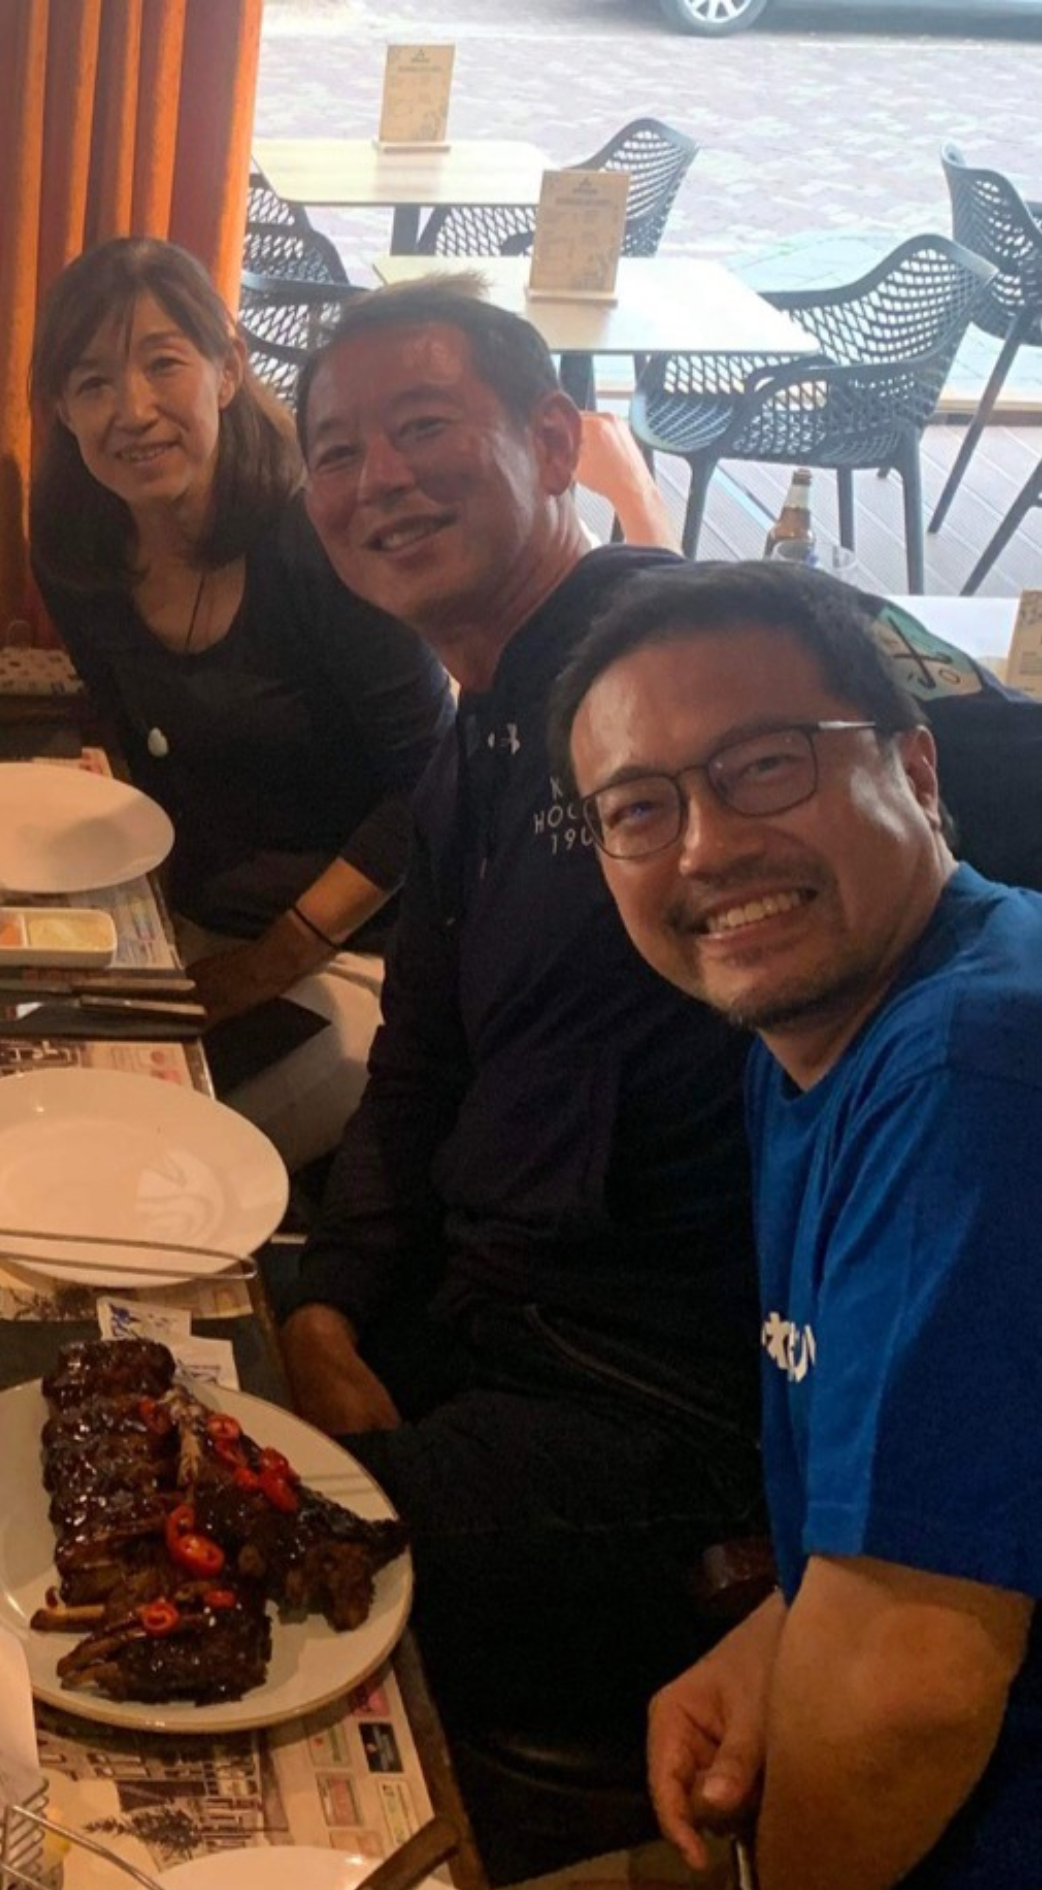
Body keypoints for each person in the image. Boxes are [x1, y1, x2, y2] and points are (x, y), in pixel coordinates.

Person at [277, 277, 1042, 1802]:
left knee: (251, 1557)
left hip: (668, 1405)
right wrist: (332, 1306)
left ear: (556, 441)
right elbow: (422, 1052)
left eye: (425, 427)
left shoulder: (662, 680)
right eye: (338, 452)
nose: (382, 481)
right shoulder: (488, 726)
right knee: (178, 1379)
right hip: (501, 1315)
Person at [550, 561, 1040, 1890]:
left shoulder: (974, 1070)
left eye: (764, 765)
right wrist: (772, 1645)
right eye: (639, 809)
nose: (705, 848)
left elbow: (909, 1690)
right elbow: (941, 1504)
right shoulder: (823, 1033)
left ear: (917, 771)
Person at [27, 239, 450, 1169]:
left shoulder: (320, 542)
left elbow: (432, 783)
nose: (132, 410)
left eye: (163, 364)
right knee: (17, 1099)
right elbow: (134, 742)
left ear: (227, 370)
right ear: (61, 408)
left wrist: (270, 962)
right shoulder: (76, 538)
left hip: (352, 955)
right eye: (93, 383)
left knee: (134, 1164)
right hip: (180, 924)